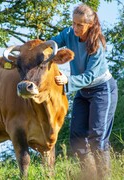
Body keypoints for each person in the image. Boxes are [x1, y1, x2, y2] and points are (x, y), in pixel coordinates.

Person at [51, 3, 118, 179]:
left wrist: (68, 80)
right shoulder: (68, 33)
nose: (75, 28)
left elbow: (89, 76)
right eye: (73, 23)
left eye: (80, 25)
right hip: (83, 92)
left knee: (97, 137)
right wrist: (37, 50)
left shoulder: (96, 44)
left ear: (90, 24)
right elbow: (51, 45)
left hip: (102, 90)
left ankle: (105, 177)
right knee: (76, 138)